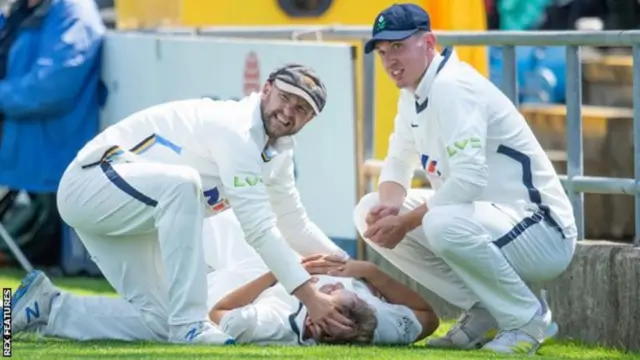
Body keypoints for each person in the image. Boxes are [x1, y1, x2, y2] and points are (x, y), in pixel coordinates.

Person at [10, 64, 353, 345]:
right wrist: (311, 297)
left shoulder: (278, 151)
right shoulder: (235, 130)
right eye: (285, 98)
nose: (288, 112)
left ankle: (47, 308)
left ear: (310, 120)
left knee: (162, 321)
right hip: (90, 185)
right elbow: (260, 229)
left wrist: (354, 273)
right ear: (266, 89)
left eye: (302, 109)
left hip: (136, 212)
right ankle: (191, 326)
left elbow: (294, 224)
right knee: (183, 184)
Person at [354, 3, 577, 355]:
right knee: (369, 208)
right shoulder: (413, 92)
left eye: (398, 47)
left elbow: (469, 181)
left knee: (442, 221)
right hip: (489, 221)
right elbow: (397, 161)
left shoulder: (453, 87)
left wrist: (406, 222)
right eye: (382, 52)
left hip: (544, 229)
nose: (389, 61)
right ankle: (486, 309)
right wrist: (390, 209)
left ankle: (528, 319)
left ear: (429, 43)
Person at [202, 211, 439, 346]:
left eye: (329, 293)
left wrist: (281, 271)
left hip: (243, 277)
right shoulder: (379, 325)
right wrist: (368, 271)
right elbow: (429, 318)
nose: (334, 283)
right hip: (292, 253)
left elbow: (218, 312)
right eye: (358, 294)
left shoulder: (272, 324)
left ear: (312, 323)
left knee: (215, 215)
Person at [0, 0, 106, 268]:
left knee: (19, 259)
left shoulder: (73, 11)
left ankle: (12, 305)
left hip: (48, 163)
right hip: (18, 153)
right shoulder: (20, 10)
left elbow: (49, 90)